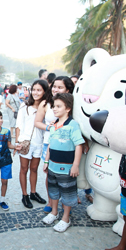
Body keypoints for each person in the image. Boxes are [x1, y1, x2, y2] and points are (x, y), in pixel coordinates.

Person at [42, 93, 84, 232]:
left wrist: (75, 165)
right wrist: (46, 161)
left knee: (67, 193)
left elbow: (79, 145)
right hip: (52, 167)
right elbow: (50, 144)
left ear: (68, 108)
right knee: (53, 192)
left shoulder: (73, 125)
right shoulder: (54, 125)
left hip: (66, 168)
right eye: (54, 106)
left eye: (58, 106)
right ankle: (54, 212)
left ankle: (66, 218)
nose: (54, 109)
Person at [35, 76, 75, 213]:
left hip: (68, 145)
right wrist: (49, 127)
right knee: (50, 175)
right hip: (49, 145)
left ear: (68, 90)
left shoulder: (72, 104)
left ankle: (66, 203)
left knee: (67, 176)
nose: (55, 89)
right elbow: (37, 122)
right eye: (54, 86)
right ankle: (51, 202)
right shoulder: (45, 104)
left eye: (60, 87)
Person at [15, 80, 48, 208]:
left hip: (39, 143)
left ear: (45, 91)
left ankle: (33, 193)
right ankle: (25, 195)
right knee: (24, 169)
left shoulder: (47, 107)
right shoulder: (25, 106)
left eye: (39, 90)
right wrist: (17, 142)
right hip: (25, 142)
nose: (35, 92)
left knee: (34, 169)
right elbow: (18, 125)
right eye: (34, 89)